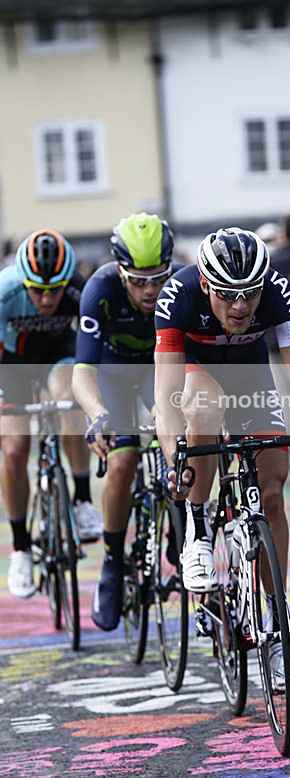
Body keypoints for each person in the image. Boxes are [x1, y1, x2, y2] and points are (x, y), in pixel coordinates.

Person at [154, 226, 290, 692]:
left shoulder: (279, 292)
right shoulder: (178, 294)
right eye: (226, 295)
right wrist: (175, 457)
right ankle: (198, 529)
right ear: (206, 285)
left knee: (273, 489)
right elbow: (166, 396)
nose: (240, 307)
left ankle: (278, 630)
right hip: (196, 372)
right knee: (202, 407)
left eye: (249, 294)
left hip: (251, 377)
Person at [72, 212, 185, 631]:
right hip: (114, 375)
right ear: (121, 271)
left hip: (161, 371)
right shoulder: (100, 289)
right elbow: (82, 372)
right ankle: (113, 563)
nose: (151, 290)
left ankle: (182, 528)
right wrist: (97, 414)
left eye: (158, 278)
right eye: (138, 281)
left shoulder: (185, 284)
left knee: (181, 443)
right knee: (122, 462)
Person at [0, 229, 101, 599]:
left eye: (54, 291)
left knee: (69, 398)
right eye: (37, 291)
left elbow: (95, 343)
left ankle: (82, 499)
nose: (46, 299)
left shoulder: (79, 290)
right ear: (23, 282)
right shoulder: (5, 291)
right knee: (14, 448)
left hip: (58, 356)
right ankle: (21, 549)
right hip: (11, 365)